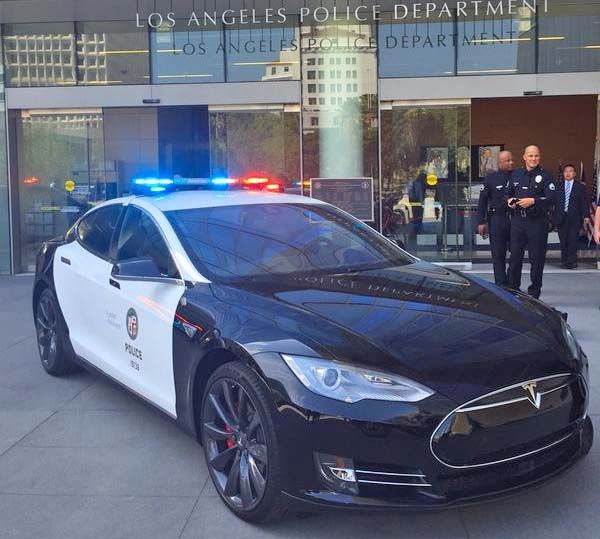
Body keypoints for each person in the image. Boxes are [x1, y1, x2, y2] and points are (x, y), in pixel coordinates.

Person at [507, 145, 556, 299]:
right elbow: (507, 194)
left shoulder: (546, 176)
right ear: (524, 157)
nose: (533, 158)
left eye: (536, 156)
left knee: (537, 259)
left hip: (537, 223)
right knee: (515, 258)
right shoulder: (515, 174)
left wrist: (533, 201)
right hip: (518, 222)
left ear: (539, 157)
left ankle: (534, 294)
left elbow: (552, 198)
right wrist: (509, 201)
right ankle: (513, 290)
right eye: (530, 156)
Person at [477, 150, 515, 286]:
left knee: (516, 253)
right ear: (499, 163)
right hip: (497, 219)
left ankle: (512, 283)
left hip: (515, 219)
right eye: (507, 161)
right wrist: (481, 221)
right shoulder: (491, 178)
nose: (511, 163)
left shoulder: (518, 176)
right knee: (498, 254)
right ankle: (501, 284)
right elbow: (483, 201)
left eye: (511, 160)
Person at [553, 164, 590, 269]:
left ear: (574, 174)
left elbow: (584, 202)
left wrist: (586, 216)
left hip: (575, 218)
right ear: (563, 173)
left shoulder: (580, 187)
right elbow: (553, 201)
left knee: (573, 240)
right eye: (566, 171)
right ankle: (564, 261)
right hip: (561, 217)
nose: (568, 173)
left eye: (570, 171)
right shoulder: (558, 185)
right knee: (563, 240)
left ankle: (572, 262)